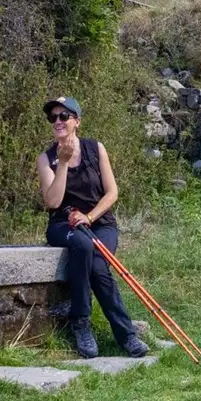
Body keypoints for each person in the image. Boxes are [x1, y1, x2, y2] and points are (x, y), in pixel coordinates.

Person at [36, 97, 149, 359]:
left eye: (64, 116)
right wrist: (62, 163)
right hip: (63, 224)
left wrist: (89, 216)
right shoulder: (47, 159)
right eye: (53, 118)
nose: (58, 122)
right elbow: (52, 201)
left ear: (77, 121)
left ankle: (121, 334)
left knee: (98, 264)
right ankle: (89, 324)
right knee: (82, 245)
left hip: (100, 222)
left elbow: (112, 193)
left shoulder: (96, 149)